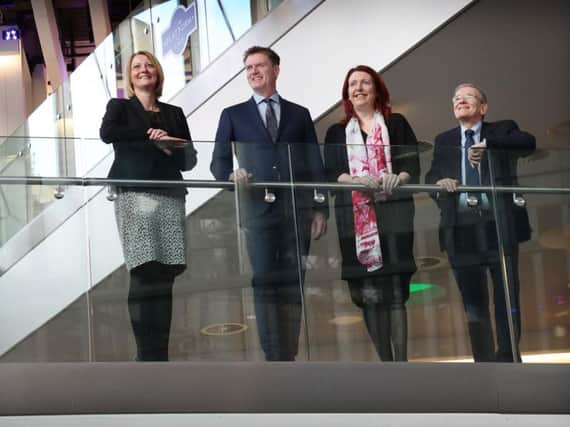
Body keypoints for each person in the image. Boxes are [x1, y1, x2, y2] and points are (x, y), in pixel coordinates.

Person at [210, 46, 327, 361]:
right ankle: (273, 356)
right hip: (257, 213)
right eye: (248, 68)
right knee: (263, 282)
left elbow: (314, 162)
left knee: (293, 282)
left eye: (259, 65)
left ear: (276, 69)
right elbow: (218, 164)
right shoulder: (232, 114)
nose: (253, 72)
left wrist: (320, 207)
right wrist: (231, 175)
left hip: (297, 212)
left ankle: (288, 352)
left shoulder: (298, 114)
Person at [426, 83, 535, 362]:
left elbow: (528, 143)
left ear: (483, 107)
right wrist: (440, 182)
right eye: (456, 98)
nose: (460, 100)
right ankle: (484, 363)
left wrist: (488, 145)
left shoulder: (502, 129)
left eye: (468, 97)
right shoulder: (444, 139)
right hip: (461, 230)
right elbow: (431, 177)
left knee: (506, 297)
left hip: (497, 226)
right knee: (474, 303)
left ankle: (509, 358)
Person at [100, 50, 197, 361]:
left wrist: (168, 146)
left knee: (165, 274)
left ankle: (160, 354)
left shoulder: (175, 112)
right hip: (135, 194)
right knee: (143, 269)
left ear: (158, 73)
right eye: (137, 67)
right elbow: (107, 133)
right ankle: (146, 353)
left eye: (149, 65)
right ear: (130, 77)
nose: (143, 70)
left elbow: (189, 159)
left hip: (169, 195)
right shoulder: (120, 107)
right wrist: (148, 135)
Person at [324, 65, 419, 361]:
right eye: (353, 84)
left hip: (394, 217)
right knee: (369, 295)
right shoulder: (337, 132)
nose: (359, 88)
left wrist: (398, 178)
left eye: (365, 82)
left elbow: (412, 164)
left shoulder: (397, 123)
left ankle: (400, 366)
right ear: (347, 94)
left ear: (377, 90)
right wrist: (355, 180)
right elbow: (330, 174)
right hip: (355, 222)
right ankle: (385, 363)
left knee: (394, 291)